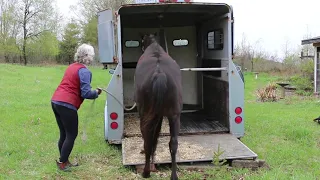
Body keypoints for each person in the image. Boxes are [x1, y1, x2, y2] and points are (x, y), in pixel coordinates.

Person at [51, 43, 102, 171]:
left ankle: (64, 160)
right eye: (92, 55)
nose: (93, 57)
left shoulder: (71, 67)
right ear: (87, 56)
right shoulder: (84, 71)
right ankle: (62, 163)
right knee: (71, 134)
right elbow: (85, 93)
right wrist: (96, 92)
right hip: (67, 104)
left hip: (56, 101)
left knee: (64, 133)